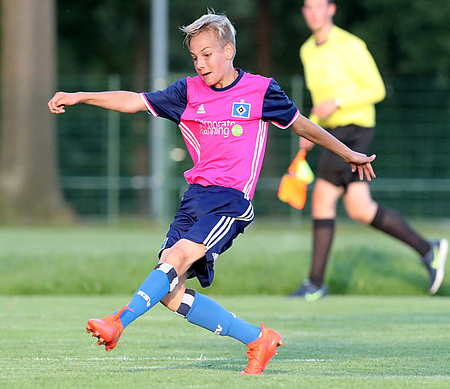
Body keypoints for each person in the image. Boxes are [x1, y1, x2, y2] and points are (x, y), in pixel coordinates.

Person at [48, 11, 375, 375]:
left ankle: (119, 320)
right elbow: (135, 101)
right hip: (194, 200)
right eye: (194, 57)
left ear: (229, 50)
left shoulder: (261, 90)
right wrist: (81, 96)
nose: (200, 64)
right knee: (169, 293)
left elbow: (303, 125)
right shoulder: (186, 92)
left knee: (177, 258)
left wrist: (347, 152)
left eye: (207, 54)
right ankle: (257, 338)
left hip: (231, 202)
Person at [290, 0, 448, 301]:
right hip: (331, 130)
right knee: (360, 209)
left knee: (323, 198)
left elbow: (376, 88)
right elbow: (320, 101)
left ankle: (315, 284)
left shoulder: (351, 45)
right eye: (307, 7)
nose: (313, 12)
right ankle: (429, 249)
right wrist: (310, 129)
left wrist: (336, 102)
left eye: (318, 6)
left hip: (354, 127)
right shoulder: (307, 49)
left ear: (331, 9)